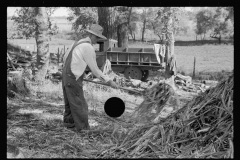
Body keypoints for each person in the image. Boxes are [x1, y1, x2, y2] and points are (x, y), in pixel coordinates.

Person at [62, 24, 119, 132]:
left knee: (70, 102)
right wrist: (109, 81)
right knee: (80, 104)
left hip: (66, 76)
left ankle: (69, 125)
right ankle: (83, 130)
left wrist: (76, 69)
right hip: (73, 78)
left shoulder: (77, 43)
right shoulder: (88, 47)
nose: (97, 40)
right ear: (91, 35)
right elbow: (95, 70)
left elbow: (64, 58)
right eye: (97, 37)